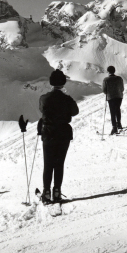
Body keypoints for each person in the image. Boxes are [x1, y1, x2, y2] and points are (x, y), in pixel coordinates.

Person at [39, 69, 79, 203]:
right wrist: (67, 98)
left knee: (48, 164)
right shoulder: (67, 99)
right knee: (59, 164)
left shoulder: (44, 98)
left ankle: (46, 192)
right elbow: (75, 111)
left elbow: (41, 110)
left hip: (49, 133)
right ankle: (57, 191)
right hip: (63, 134)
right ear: (63, 84)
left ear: (51, 83)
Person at [102, 66, 124, 134]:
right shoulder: (119, 78)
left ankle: (114, 128)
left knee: (112, 112)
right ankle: (119, 124)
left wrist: (108, 92)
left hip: (111, 97)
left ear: (108, 71)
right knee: (118, 109)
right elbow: (122, 89)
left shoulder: (106, 80)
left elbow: (104, 90)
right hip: (119, 96)